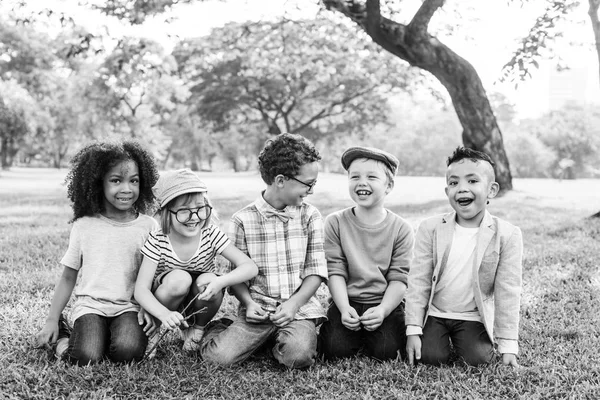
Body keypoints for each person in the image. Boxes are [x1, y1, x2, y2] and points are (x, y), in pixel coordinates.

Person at [200, 133, 328, 369]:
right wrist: (248, 303)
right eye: (308, 184)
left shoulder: (311, 216)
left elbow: (316, 271)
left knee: (298, 356)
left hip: (297, 311)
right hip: (257, 310)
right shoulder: (242, 220)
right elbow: (235, 276)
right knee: (217, 359)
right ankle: (222, 327)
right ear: (280, 180)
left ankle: (278, 341)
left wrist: (294, 304)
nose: (311, 190)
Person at [34, 140, 159, 366]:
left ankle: (112, 335)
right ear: (98, 183)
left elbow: (156, 276)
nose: (126, 189)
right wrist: (51, 319)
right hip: (91, 306)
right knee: (85, 356)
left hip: (129, 308)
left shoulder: (148, 226)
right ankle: (63, 336)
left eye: (134, 181)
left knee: (127, 352)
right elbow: (68, 277)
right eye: (115, 180)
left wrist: (151, 309)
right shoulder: (84, 225)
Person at [405, 147, 523, 367]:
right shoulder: (430, 228)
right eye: (454, 183)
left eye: (472, 181)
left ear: (492, 190)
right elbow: (418, 280)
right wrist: (413, 329)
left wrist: (508, 347)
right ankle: (434, 338)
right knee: (430, 358)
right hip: (435, 312)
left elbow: (508, 291)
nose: (461, 189)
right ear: (446, 190)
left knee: (479, 360)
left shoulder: (507, 234)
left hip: (472, 315)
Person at [134, 169, 258, 357]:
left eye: (200, 208)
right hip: (166, 299)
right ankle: (155, 330)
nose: (195, 218)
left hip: (199, 298)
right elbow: (141, 289)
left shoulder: (210, 233)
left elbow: (250, 267)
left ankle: (197, 329)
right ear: (166, 212)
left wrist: (220, 281)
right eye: (184, 211)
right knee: (179, 279)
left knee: (209, 280)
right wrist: (162, 314)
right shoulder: (158, 239)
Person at [319, 147, 414, 361]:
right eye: (355, 177)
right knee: (334, 350)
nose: (362, 182)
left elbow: (399, 278)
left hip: (384, 301)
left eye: (372, 177)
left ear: (388, 185)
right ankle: (349, 327)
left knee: (387, 352)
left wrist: (382, 310)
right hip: (347, 299)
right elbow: (335, 271)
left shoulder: (401, 228)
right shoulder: (335, 222)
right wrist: (343, 309)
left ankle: (378, 328)